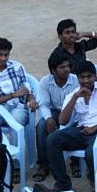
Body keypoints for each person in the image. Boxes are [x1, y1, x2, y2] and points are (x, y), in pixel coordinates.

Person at [45, 60, 97, 192]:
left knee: (91, 151)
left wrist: (95, 128)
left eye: (89, 76)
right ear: (77, 78)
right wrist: (75, 98)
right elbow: (62, 121)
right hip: (83, 130)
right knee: (52, 140)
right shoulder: (73, 94)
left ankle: (95, 181)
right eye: (82, 77)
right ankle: (63, 183)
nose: (85, 81)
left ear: (95, 76)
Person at [32, 53, 78, 181]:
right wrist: (48, 118)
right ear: (53, 70)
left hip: (74, 113)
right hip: (55, 111)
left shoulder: (75, 80)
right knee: (41, 126)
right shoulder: (45, 82)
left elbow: (79, 106)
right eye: (62, 67)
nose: (66, 70)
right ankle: (43, 164)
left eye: (68, 66)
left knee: (75, 128)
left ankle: (76, 162)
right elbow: (44, 104)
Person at [0, 38, 36, 127]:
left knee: (16, 121)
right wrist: (13, 95)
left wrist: (32, 100)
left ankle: (16, 141)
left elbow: (27, 91)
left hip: (17, 108)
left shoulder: (17, 67)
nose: (3, 58)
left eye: (6, 55)